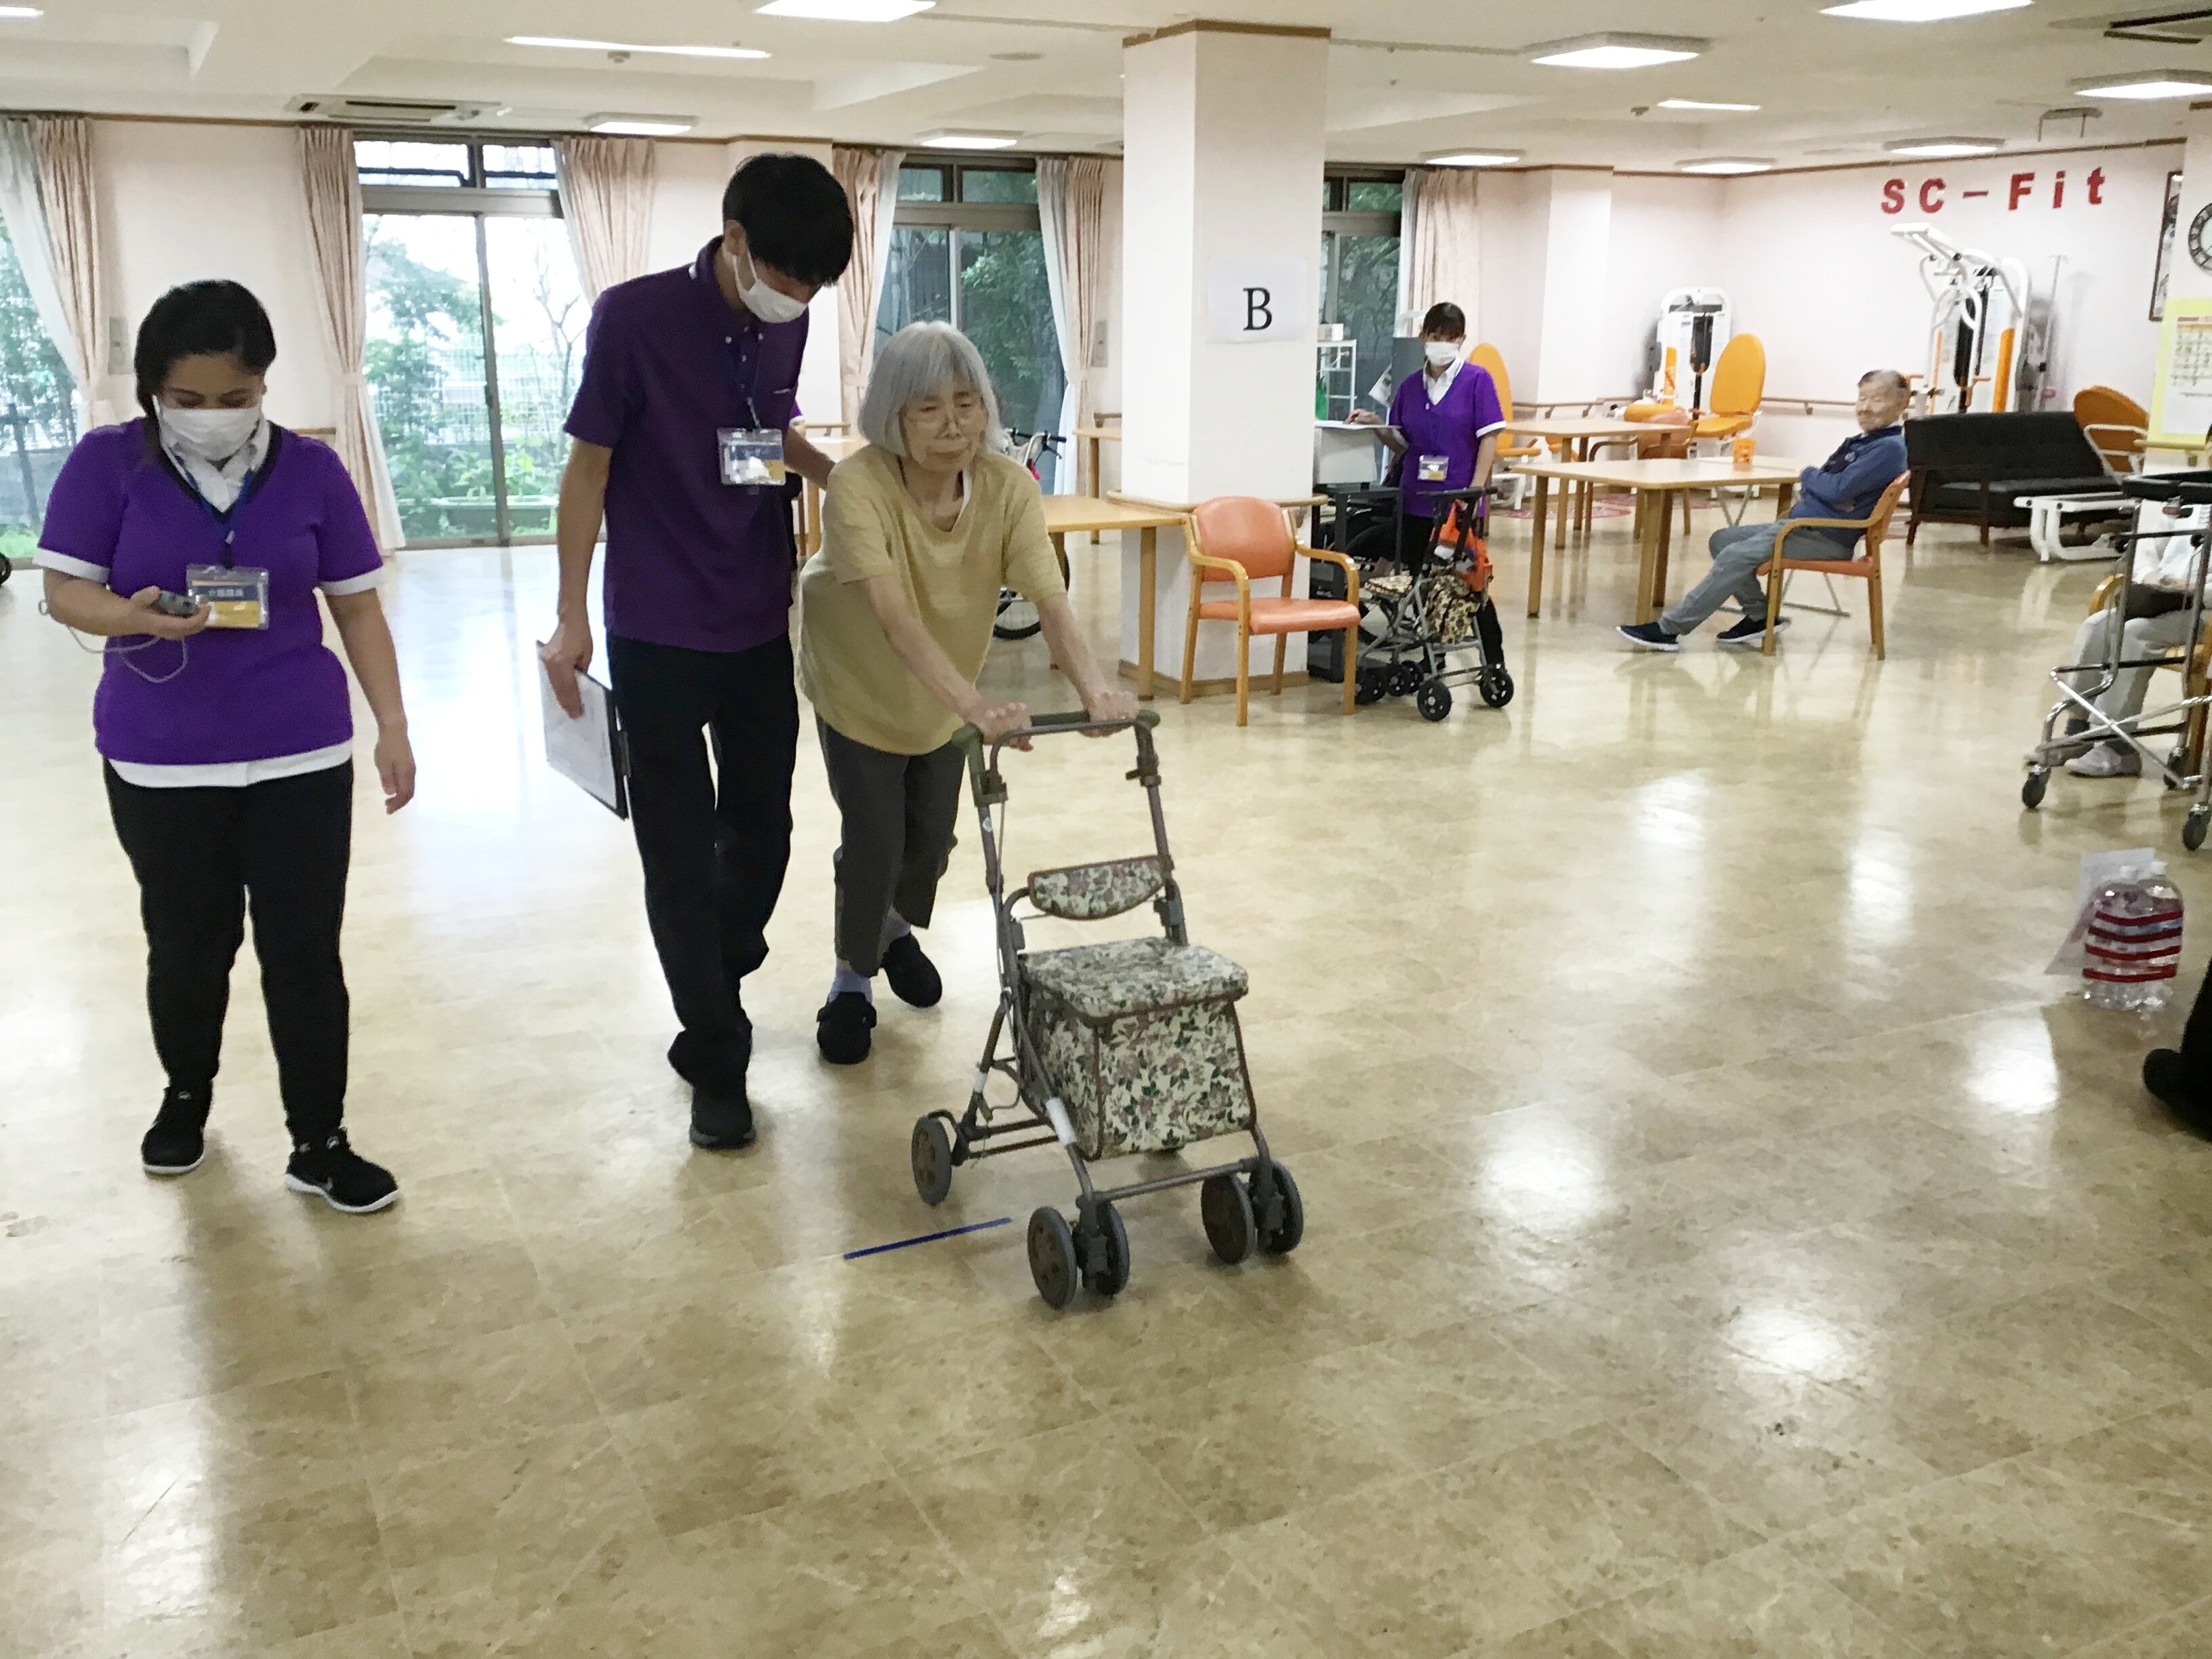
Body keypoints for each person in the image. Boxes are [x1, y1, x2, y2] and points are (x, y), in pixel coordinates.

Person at [35, 280, 411, 1213]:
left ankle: (320, 1141)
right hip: (161, 757)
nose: (213, 415)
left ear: (264, 385)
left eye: (236, 397)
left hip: (299, 752)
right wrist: (133, 617)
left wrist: (393, 726)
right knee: (188, 946)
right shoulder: (106, 463)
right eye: (188, 399)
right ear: (154, 391)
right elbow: (65, 591)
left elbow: (357, 606)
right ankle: (185, 1099)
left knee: (305, 954)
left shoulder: (313, 470)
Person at [540, 154, 854, 1151]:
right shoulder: (632, 319)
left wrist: (841, 476)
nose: (796, 300)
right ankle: (718, 1055)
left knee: (765, 834)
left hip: (757, 616)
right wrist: (571, 614)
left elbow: (769, 429)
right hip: (657, 627)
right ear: (736, 241)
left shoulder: (787, 319)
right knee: (678, 850)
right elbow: (587, 470)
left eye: (813, 288)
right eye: (787, 277)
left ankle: (712, 977)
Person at [797, 323, 1137, 1065]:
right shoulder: (858, 487)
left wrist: (1095, 689)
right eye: (928, 408)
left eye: (967, 403)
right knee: (876, 838)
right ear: (892, 415)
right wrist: (977, 707)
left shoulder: (1007, 488)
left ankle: (891, 928)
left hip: (941, 687)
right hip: (859, 681)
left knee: (932, 841)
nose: (953, 425)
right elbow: (893, 618)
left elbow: (1049, 596)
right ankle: (852, 979)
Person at [1620, 369, 1908, 651]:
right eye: (1861, 399)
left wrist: (1809, 474)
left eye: (1876, 400)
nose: (1865, 408)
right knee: (1722, 540)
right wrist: (1820, 483)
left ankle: (1669, 630)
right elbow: (1827, 487)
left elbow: (1835, 489)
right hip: (1806, 525)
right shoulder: (1864, 442)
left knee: (1734, 555)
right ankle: (1760, 616)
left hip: (1826, 535)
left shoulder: (1889, 448)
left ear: (1900, 404)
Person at [2045, 501, 2211, 779]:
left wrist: (2193, 589)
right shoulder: (2190, 501)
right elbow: (2147, 552)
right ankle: (2078, 730)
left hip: (2205, 611)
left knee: (2136, 633)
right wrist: (2154, 579)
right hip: (2163, 599)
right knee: (2097, 626)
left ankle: (2118, 746)